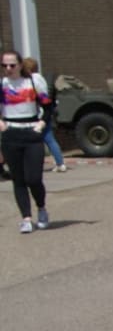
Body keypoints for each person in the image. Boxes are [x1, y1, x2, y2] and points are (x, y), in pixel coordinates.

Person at [1, 49, 51, 232]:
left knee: (34, 178)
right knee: (19, 180)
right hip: (11, 135)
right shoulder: (2, 84)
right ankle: (26, 218)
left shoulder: (33, 81)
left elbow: (48, 106)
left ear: (20, 65)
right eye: (4, 65)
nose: (8, 68)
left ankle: (42, 208)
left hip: (31, 134)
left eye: (12, 65)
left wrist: (42, 123)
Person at [23, 57, 66, 172]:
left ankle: (33, 165)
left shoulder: (31, 80)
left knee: (33, 142)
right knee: (50, 140)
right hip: (45, 113)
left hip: (37, 114)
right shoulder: (41, 78)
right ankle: (60, 163)